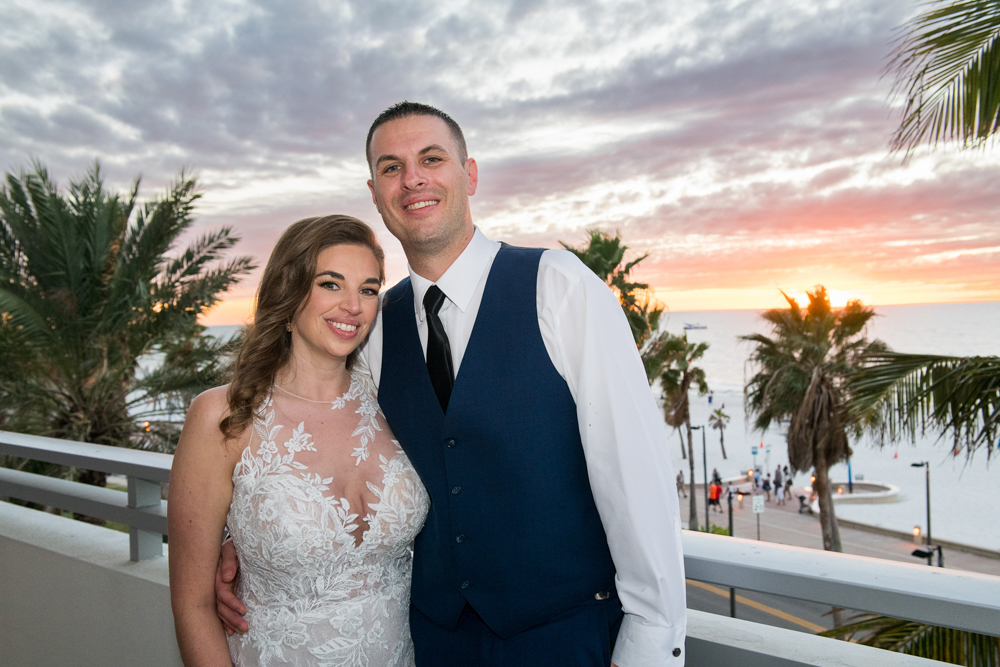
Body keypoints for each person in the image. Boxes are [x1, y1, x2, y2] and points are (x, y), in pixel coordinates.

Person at [216, 102, 687, 666]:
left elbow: (633, 473)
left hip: (564, 637)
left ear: (470, 174)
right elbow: (324, 439)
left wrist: (652, 643)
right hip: (434, 643)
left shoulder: (558, 288)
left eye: (431, 158)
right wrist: (247, 540)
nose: (412, 178)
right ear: (375, 193)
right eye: (391, 167)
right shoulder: (371, 326)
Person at [169, 216, 429, 666]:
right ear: (289, 293)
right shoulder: (223, 416)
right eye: (331, 284)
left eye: (369, 289)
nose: (354, 306)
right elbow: (192, 606)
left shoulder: (396, 402)